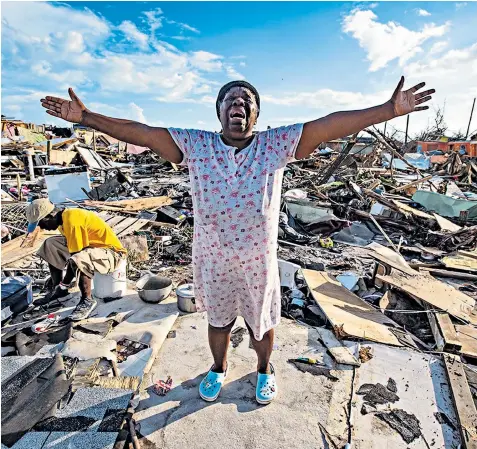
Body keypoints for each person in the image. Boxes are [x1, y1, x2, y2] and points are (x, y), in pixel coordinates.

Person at [40, 76, 434, 404]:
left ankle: (263, 370)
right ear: (219, 111)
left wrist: (387, 110)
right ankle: (218, 367)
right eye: (230, 100)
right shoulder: (196, 145)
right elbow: (142, 132)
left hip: (257, 260)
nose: (238, 105)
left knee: (261, 324)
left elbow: (326, 125)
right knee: (218, 321)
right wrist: (88, 118)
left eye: (246, 101)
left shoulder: (274, 145)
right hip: (212, 259)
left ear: (256, 114)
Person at [26, 199, 126, 321]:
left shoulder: (72, 222)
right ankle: (58, 290)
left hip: (111, 253)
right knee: (50, 244)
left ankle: (87, 300)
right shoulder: (62, 219)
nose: (41, 227)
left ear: (49, 216)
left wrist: (65, 284)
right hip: (92, 247)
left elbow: (76, 259)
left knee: (78, 258)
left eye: (41, 223)